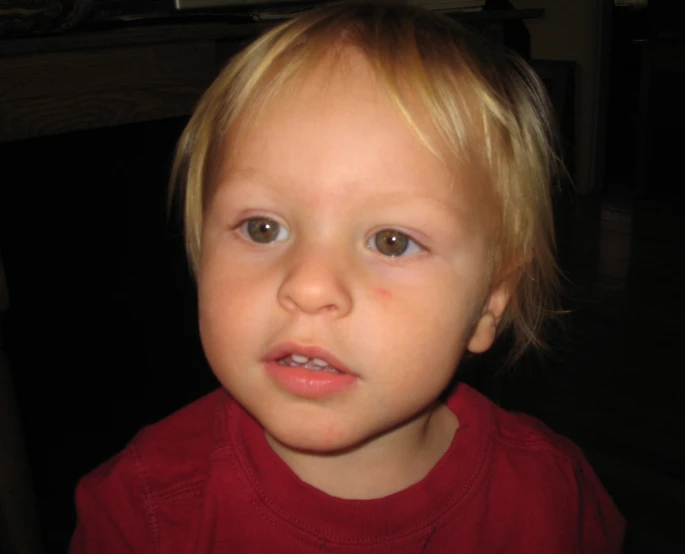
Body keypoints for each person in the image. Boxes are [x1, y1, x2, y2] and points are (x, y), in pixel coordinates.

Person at [70, 2, 626, 552]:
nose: (309, 287)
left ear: (488, 304)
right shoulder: (141, 514)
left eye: (392, 241)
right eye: (263, 229)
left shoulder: (552, 501)